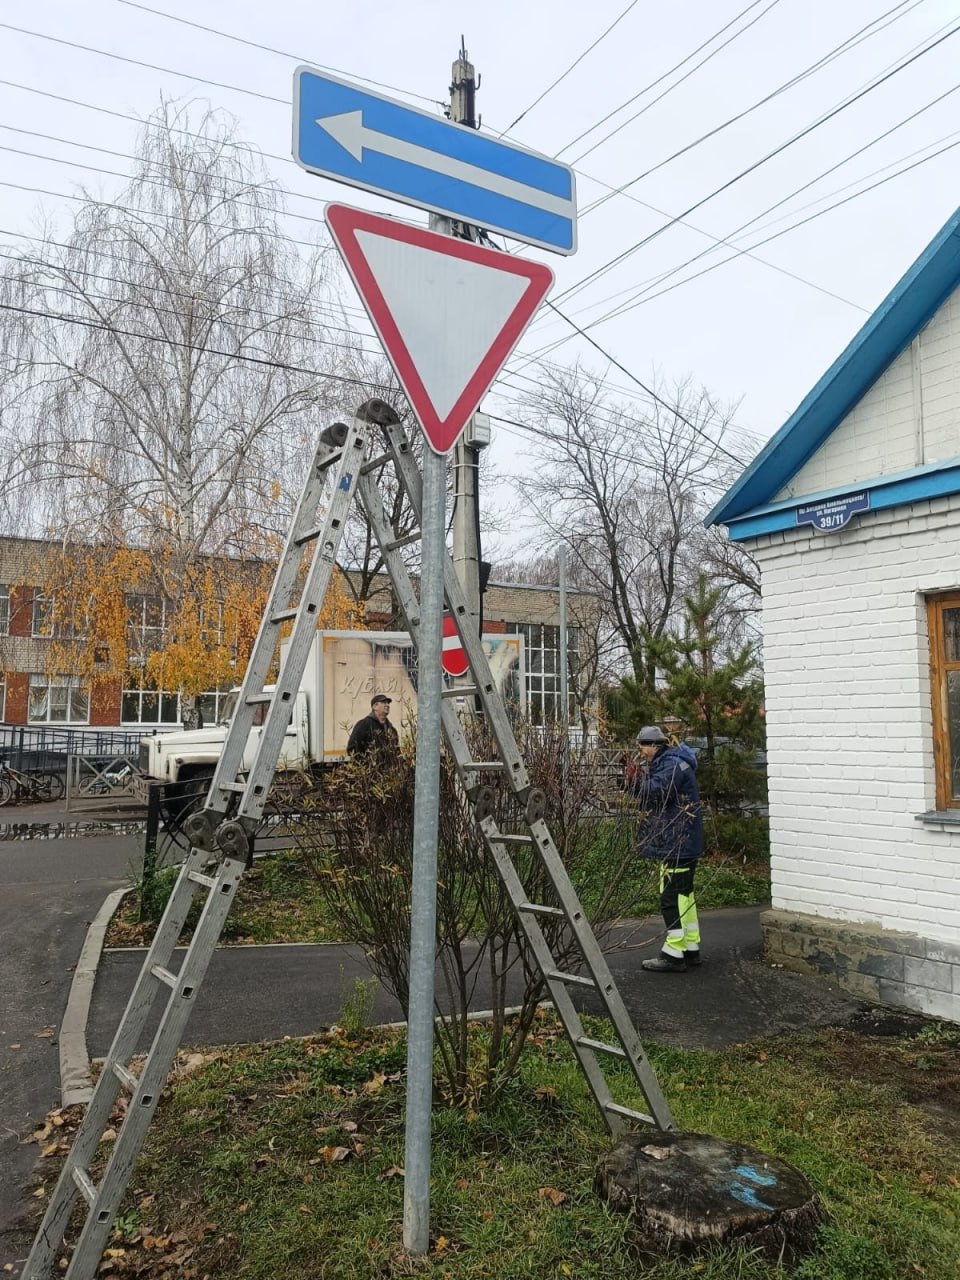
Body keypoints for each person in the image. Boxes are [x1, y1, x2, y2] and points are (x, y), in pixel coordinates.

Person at [632, 725, 704, 973]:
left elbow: (656, 794)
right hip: (683, 841)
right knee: (685, 895)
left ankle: (673, 954)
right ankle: (690, 947)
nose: (640, 753)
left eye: (642, 747)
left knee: (670, 896)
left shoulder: (670, 765)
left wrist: (633, 782)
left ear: (654, 745)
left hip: (677, 843)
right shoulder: (675, 762)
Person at [346, 693, 400, 758]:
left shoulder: (391, 729)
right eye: (384, 702)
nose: (387, 705)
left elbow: (397, 752)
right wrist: (366, 764)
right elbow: (352, 749)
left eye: (388, 703)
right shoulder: (363, 725)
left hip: (388, 768)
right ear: (375, 706)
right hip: (369, 767)